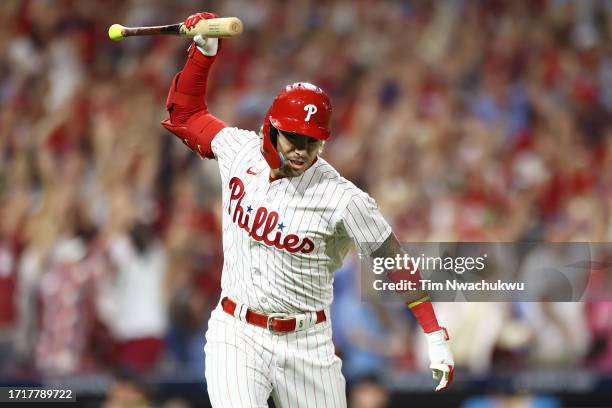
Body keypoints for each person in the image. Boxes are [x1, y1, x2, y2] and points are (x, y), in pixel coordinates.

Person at [161, 12, 454, 407]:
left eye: (312, 141)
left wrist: (434, 333)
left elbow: (393, 261)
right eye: (293, 137)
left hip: (307, 342)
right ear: (272, 127)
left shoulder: (342, 199)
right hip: (237, 332)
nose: (301, 149)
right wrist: (202, 53)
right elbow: (186, 115)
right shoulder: (239, 151)